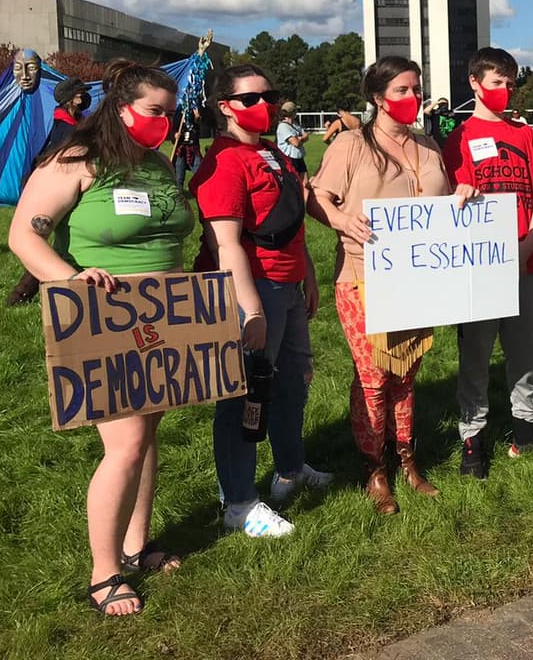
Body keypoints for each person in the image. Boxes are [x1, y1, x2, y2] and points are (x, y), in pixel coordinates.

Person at [8, 61, 192, 615]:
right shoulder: (77, 161)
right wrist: (71, 278)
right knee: (126, 443)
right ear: (120, 107)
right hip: (105, 321)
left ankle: (136, 547)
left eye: (170, 111)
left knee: (148, 432)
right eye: (154, 111)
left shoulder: (158, 164)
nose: (164, 121)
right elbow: (24, 236)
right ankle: (104, 571)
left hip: (166, 322)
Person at [308, 57, 477, 511]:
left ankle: (407, 458)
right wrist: (344, 221)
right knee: (373, 378)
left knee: (406, 376)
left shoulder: (427, 146)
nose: (413, 98)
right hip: (363, 276)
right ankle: (373, 466)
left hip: (419, 279)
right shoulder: (350, 145)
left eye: (417, 89)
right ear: (378, 99)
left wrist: (463, 194)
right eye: (402, 90)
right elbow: (316, 197)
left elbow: (442, 207)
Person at [192, 64, 330, 538]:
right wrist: (249, 309)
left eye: (269, 96)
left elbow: (292, 224)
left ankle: (290, 469)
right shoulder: (223, 164)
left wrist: (308, 275)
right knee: (245, 397)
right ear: (225, 107)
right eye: (251, 99)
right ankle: (239, 501)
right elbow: (224, 245)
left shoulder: (273, 154)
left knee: (294, 382)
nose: (264, 105)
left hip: (288, 287)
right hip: (254, 290)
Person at [443, 48, 533, 479]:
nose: (505, 90)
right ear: (475, 84)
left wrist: (530, 243)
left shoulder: (524, 133)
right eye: (497, 83)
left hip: (523, 264)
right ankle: (473, 438)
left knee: (524, 354)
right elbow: (448, 198)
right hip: (479, 268)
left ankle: (526, 431)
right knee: (474, 357)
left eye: (511, 83)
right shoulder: (457, 138)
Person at [6, 76, 92, 306]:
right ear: (69, 100)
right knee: (39, 243)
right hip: (51, 191)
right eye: (79, 94)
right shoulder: (64, 128)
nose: (83, 97)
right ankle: (23, 294)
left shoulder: (77, 123)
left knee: (56, 243)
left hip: (71, 188)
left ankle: (23, 294)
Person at [276, 102, 309, 179]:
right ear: (292, 112)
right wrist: (300, 138)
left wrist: (300, 138)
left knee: (306, 183)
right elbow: (296, 143)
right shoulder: (283, 126)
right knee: (293, 183)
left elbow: (306, 136)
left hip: (299, 157)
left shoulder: (295, 124)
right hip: (289, 159)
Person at [171, 107, 202, 190]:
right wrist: (175, 135)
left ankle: (202, 192)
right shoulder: (177, 113)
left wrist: (197, 117)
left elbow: (198, 124)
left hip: (193, 148)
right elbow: (173, 130)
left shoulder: (194, 110)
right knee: (179, 176)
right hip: (180, 150)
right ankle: (178, 194)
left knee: (199, 172)